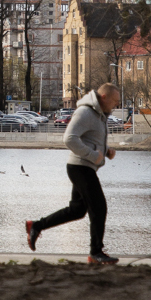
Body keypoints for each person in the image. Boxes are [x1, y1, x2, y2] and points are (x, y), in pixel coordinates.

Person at [25, 82, 120, 265]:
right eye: (115, 102)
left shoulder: (99, 114)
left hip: (84, 167)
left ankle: (36, 226)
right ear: (104, 97)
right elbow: (69, 138)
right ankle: (95, 253)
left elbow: (90, 139)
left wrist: (106, 150)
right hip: (80, 168)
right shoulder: (86, 112)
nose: (116, 106)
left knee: (77, 210)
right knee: (98, 207)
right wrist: (93, 155)